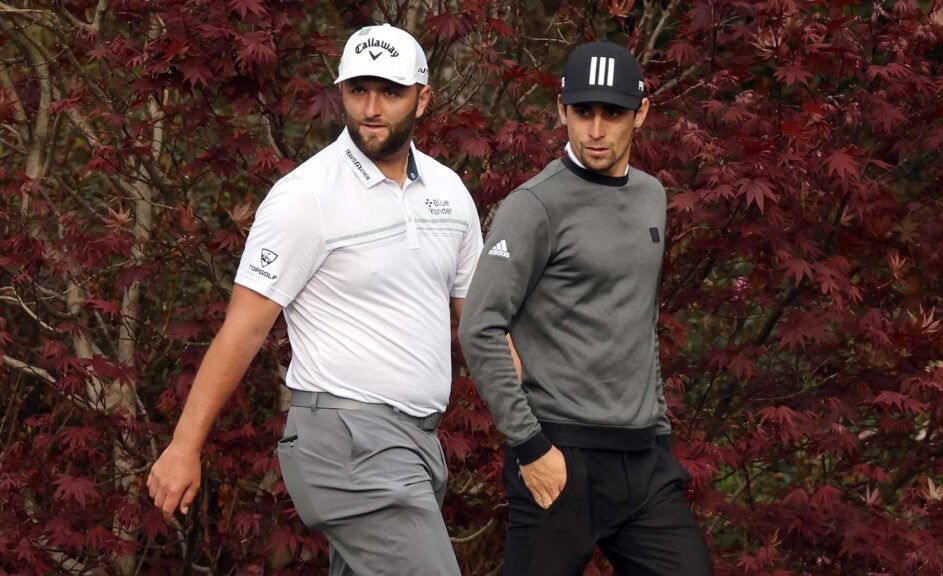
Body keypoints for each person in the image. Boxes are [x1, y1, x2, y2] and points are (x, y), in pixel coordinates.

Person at [147, 23, 482, 576]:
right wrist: (185, 446)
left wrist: (539, 428)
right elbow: (244, 329)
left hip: (418, 444)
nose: (371, 108)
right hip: (346, 442)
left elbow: (480, 325)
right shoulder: (305, 197)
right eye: (358, 90)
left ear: (424, 99)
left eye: (390, 92)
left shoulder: (449, 192)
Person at [458, 41, 713, 575]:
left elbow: (638, 316)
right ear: (562, 110)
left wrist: (661, 432)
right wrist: (531, 448)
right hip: (560, 454)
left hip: (644, 463)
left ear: (640, 113)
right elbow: (480, 326)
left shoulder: (651, 196)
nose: (596, 129)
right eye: (583, 111)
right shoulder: (534, 206)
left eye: (613, 113)